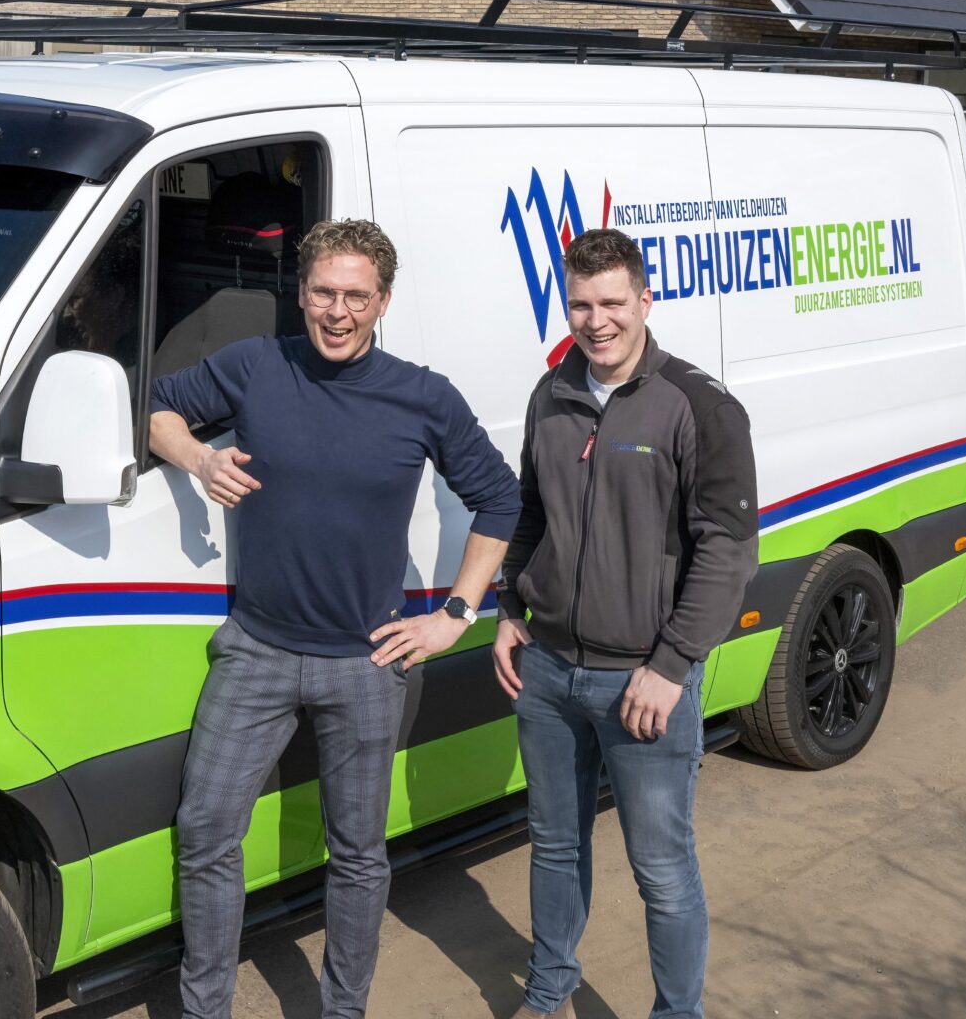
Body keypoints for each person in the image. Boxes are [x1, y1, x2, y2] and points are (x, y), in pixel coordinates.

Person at [150, 217, 521, 1019]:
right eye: (323, 292)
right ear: (302, 292)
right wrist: (202, 459)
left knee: (356, 855)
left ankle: (342, 1010)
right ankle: (205, 1008)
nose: (337, 311)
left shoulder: (421, 395)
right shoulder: (256, 366)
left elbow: (500, 498)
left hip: (367, 663)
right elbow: (161, 410)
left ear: (383, 301)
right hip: (255, 651)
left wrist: (454, 615)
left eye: (356, 295)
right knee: (207, 831)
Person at [493, 227, 757, 1019]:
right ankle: (548, 991)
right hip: (547, 669)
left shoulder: (699, 406)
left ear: (646, 300)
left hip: (641, 680)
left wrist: (671, 666)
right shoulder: (553, 394)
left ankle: (678, 1013)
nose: (596, 321)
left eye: (613, 302)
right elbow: (531, 512)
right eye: (580, 304)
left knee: (662, 866)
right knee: (555, 845)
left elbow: (730, 551)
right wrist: (510, 609)